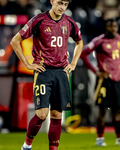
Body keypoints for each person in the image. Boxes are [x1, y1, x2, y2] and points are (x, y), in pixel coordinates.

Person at [10, 0, 83, 150]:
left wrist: (74, 63)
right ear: (52, 1)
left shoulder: (69, 22)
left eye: (66, 4)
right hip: (44, 72)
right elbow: (15, 41)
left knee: (57, 116)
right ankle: (27, 145)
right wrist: (27, 64)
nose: (62, 7)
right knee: (42, 114)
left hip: (62, 72)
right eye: (60, 2)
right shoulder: (39, 20)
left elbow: (79, 42)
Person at [80, 18, 120, 147]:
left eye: (115, 26)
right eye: (111, 27)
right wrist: (96, 71)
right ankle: (100, 139)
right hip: (104, 81)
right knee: (103, 110)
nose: (113, 29)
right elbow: (83, 54)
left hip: (117, 80)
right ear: (106, 28)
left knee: (118, 110)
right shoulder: (99, 41)